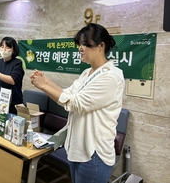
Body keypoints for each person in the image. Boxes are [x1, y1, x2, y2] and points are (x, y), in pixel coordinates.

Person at [30, 23, 125, 183]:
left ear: (101, 45)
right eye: (79, 44)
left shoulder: (111, 77)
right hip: (78, 147)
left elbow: (76, 103)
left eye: (85, 43)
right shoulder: (87, 72)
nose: (80, 48)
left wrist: (43, 86)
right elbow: (68, 93)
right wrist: (46, 81)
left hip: (94, 152)